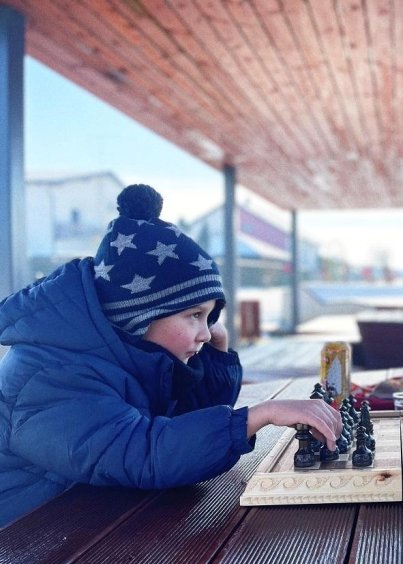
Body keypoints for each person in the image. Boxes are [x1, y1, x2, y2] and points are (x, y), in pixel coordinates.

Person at [0, 184, 342, 527]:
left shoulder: (131, 353)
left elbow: (183, 423)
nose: (206, 331)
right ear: (138, 314)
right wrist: (259, 415)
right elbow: (143, 453)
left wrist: (215, 359)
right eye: (194, 315)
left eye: (210, 317)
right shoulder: (48, 374)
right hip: (26, 544)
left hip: (93, 518)